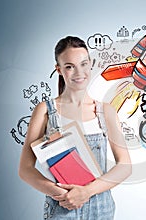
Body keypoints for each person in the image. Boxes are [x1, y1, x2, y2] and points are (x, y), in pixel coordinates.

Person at [19, 36, 132, 219]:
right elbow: (25, 169)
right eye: (70, 66)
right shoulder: (46, 111)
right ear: (59, 69)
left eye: (83, 64)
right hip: (62, 208)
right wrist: (62, 194)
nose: (79, 72)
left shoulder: (106, 111)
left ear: (90, 64)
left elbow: (125, 165)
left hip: (101, 209)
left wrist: (86, 192)